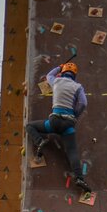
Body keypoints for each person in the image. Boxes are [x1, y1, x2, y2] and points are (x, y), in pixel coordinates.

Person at [25, 61, 91, 193]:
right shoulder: (78, 87)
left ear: (63, 72)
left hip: (54, 122)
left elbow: (49, 75)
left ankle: (40, 141)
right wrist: (75, 115)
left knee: (30, 126)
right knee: (72, 153)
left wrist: (58, 67)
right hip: (68, 125)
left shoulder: (56, 81)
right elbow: (83, 103)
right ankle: (79, 179)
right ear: (74, 75)